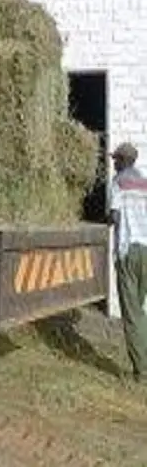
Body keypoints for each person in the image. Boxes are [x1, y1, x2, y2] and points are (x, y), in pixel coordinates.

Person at [109, 142, 147, 383]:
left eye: (116, 160)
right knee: (139, 311)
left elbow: (114, 215)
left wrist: (100, 222)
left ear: (124, 160)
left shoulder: (119, 182)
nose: (113, 163)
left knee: (132, 315)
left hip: (128, 251)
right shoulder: (144, 183)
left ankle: (141, 372)